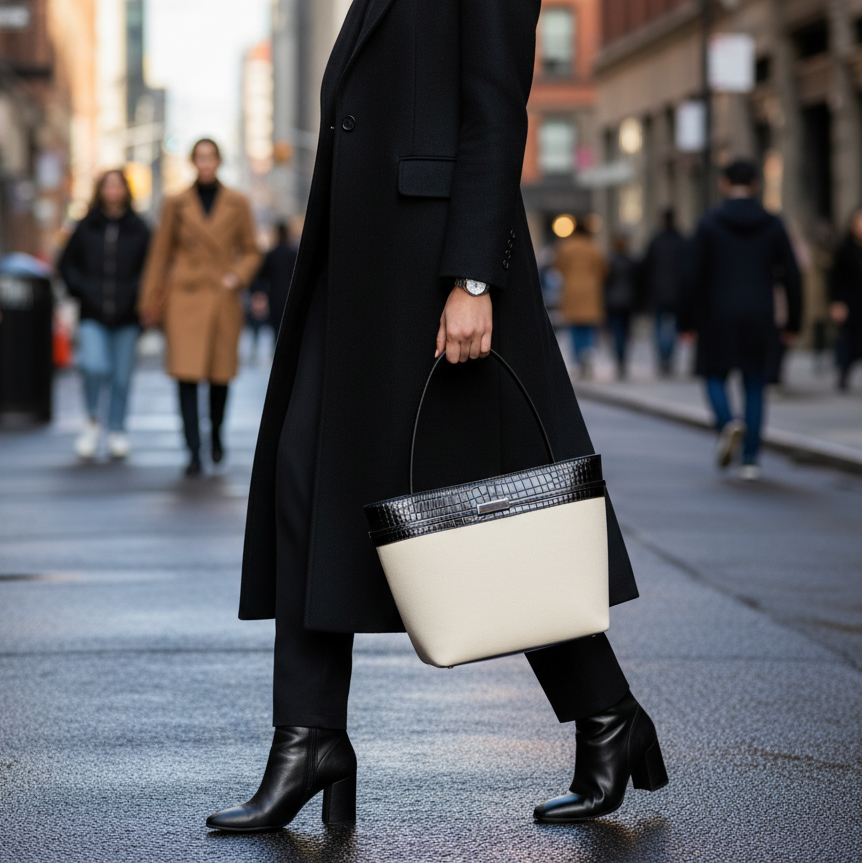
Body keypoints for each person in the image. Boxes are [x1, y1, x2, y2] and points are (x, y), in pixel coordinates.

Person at [206, 0, 666, 832]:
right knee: (304, 483)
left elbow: (495, 111)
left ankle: (607, 716)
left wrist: (473, 279)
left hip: (434, 276)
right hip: (357, 275)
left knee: (493, 515)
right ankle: (309, 738)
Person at [138, 139, 260, 476]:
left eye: (211, 157)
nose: (205, 163)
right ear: (193, 161)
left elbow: (252, 249)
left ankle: (216, 435)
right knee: (186, 377)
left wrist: (236, 277)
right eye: (200, 157)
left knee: (220, 377)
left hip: (222, 296)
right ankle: (193, 449)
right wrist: (149, 301)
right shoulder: (176, 203)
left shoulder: (238, 203)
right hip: (184, 298)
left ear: (219, 161)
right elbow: (159, 254)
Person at [679, 159, 802, 481]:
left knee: (713, 375)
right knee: (756, 382)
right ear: (757, 185)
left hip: (716, 312)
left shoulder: (708, 223)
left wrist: (685, 321)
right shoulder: (773, 223)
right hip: (760, 313)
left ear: (723, 183)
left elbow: (691, 276)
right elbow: (792, 275)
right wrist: (793, 323)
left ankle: (726, 424)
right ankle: (750, 459)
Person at [59, 170, 150, 459]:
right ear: (100, 191)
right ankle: (92, 422)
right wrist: (81, 289)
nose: (112, 191)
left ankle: (117, 429)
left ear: (126, 190)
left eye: (118, 186)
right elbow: (66, 264)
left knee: (122, 377)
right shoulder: (86, 226)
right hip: (92, 313)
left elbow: (151, 269)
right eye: (107, 186)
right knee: (93, 365)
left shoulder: (140, 228)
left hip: (127, 316)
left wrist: (138, 296)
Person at [554, 220, 607, 378]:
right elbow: (603, 269)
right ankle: (588, 354)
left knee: (574, 326)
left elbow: (558, 266)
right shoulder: (593, 247)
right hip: (591, 290)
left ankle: (578, 359)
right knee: (588, 326)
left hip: (571, 290)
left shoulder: (566, 246)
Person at [642, 208, 685, 376]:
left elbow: (647, 266)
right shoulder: (681, 240)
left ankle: (663, 358)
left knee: (659, 326)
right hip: (676, 292)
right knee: (673, 326)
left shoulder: (656, 240)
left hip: (658, 291)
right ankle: (669, 358)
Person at [830, 209, 862, 392]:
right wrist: (837, 302)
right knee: (849, 340)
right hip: (851, 301)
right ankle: (844, 371)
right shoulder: (845, 249)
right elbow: (836, 278)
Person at [252, 221, 298, 337]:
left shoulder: (271, 255)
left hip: (275, 295)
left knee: (277, 327)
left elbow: (261, 276)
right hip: (291, 295)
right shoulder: (294, 254)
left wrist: (259, 293)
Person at [604, 233, 638, 380]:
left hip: (613, 302)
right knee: (626, 333)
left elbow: (604, 284)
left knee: (617, 332)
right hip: (628, 302)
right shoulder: (631, 262)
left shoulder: (609, 262)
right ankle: (622, 360)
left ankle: (620, 360)